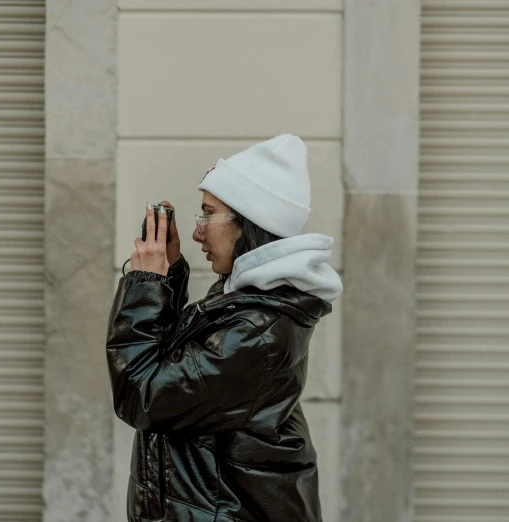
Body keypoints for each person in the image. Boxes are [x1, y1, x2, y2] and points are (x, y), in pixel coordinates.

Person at [106, 134, 343, 522]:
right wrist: (170, 274)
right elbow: (174, 365)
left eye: (207, 214)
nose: (198, 231)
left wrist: (146, 284)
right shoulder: (249, 303)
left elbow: (142, 394)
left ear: (247, 223)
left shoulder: (256, 332)